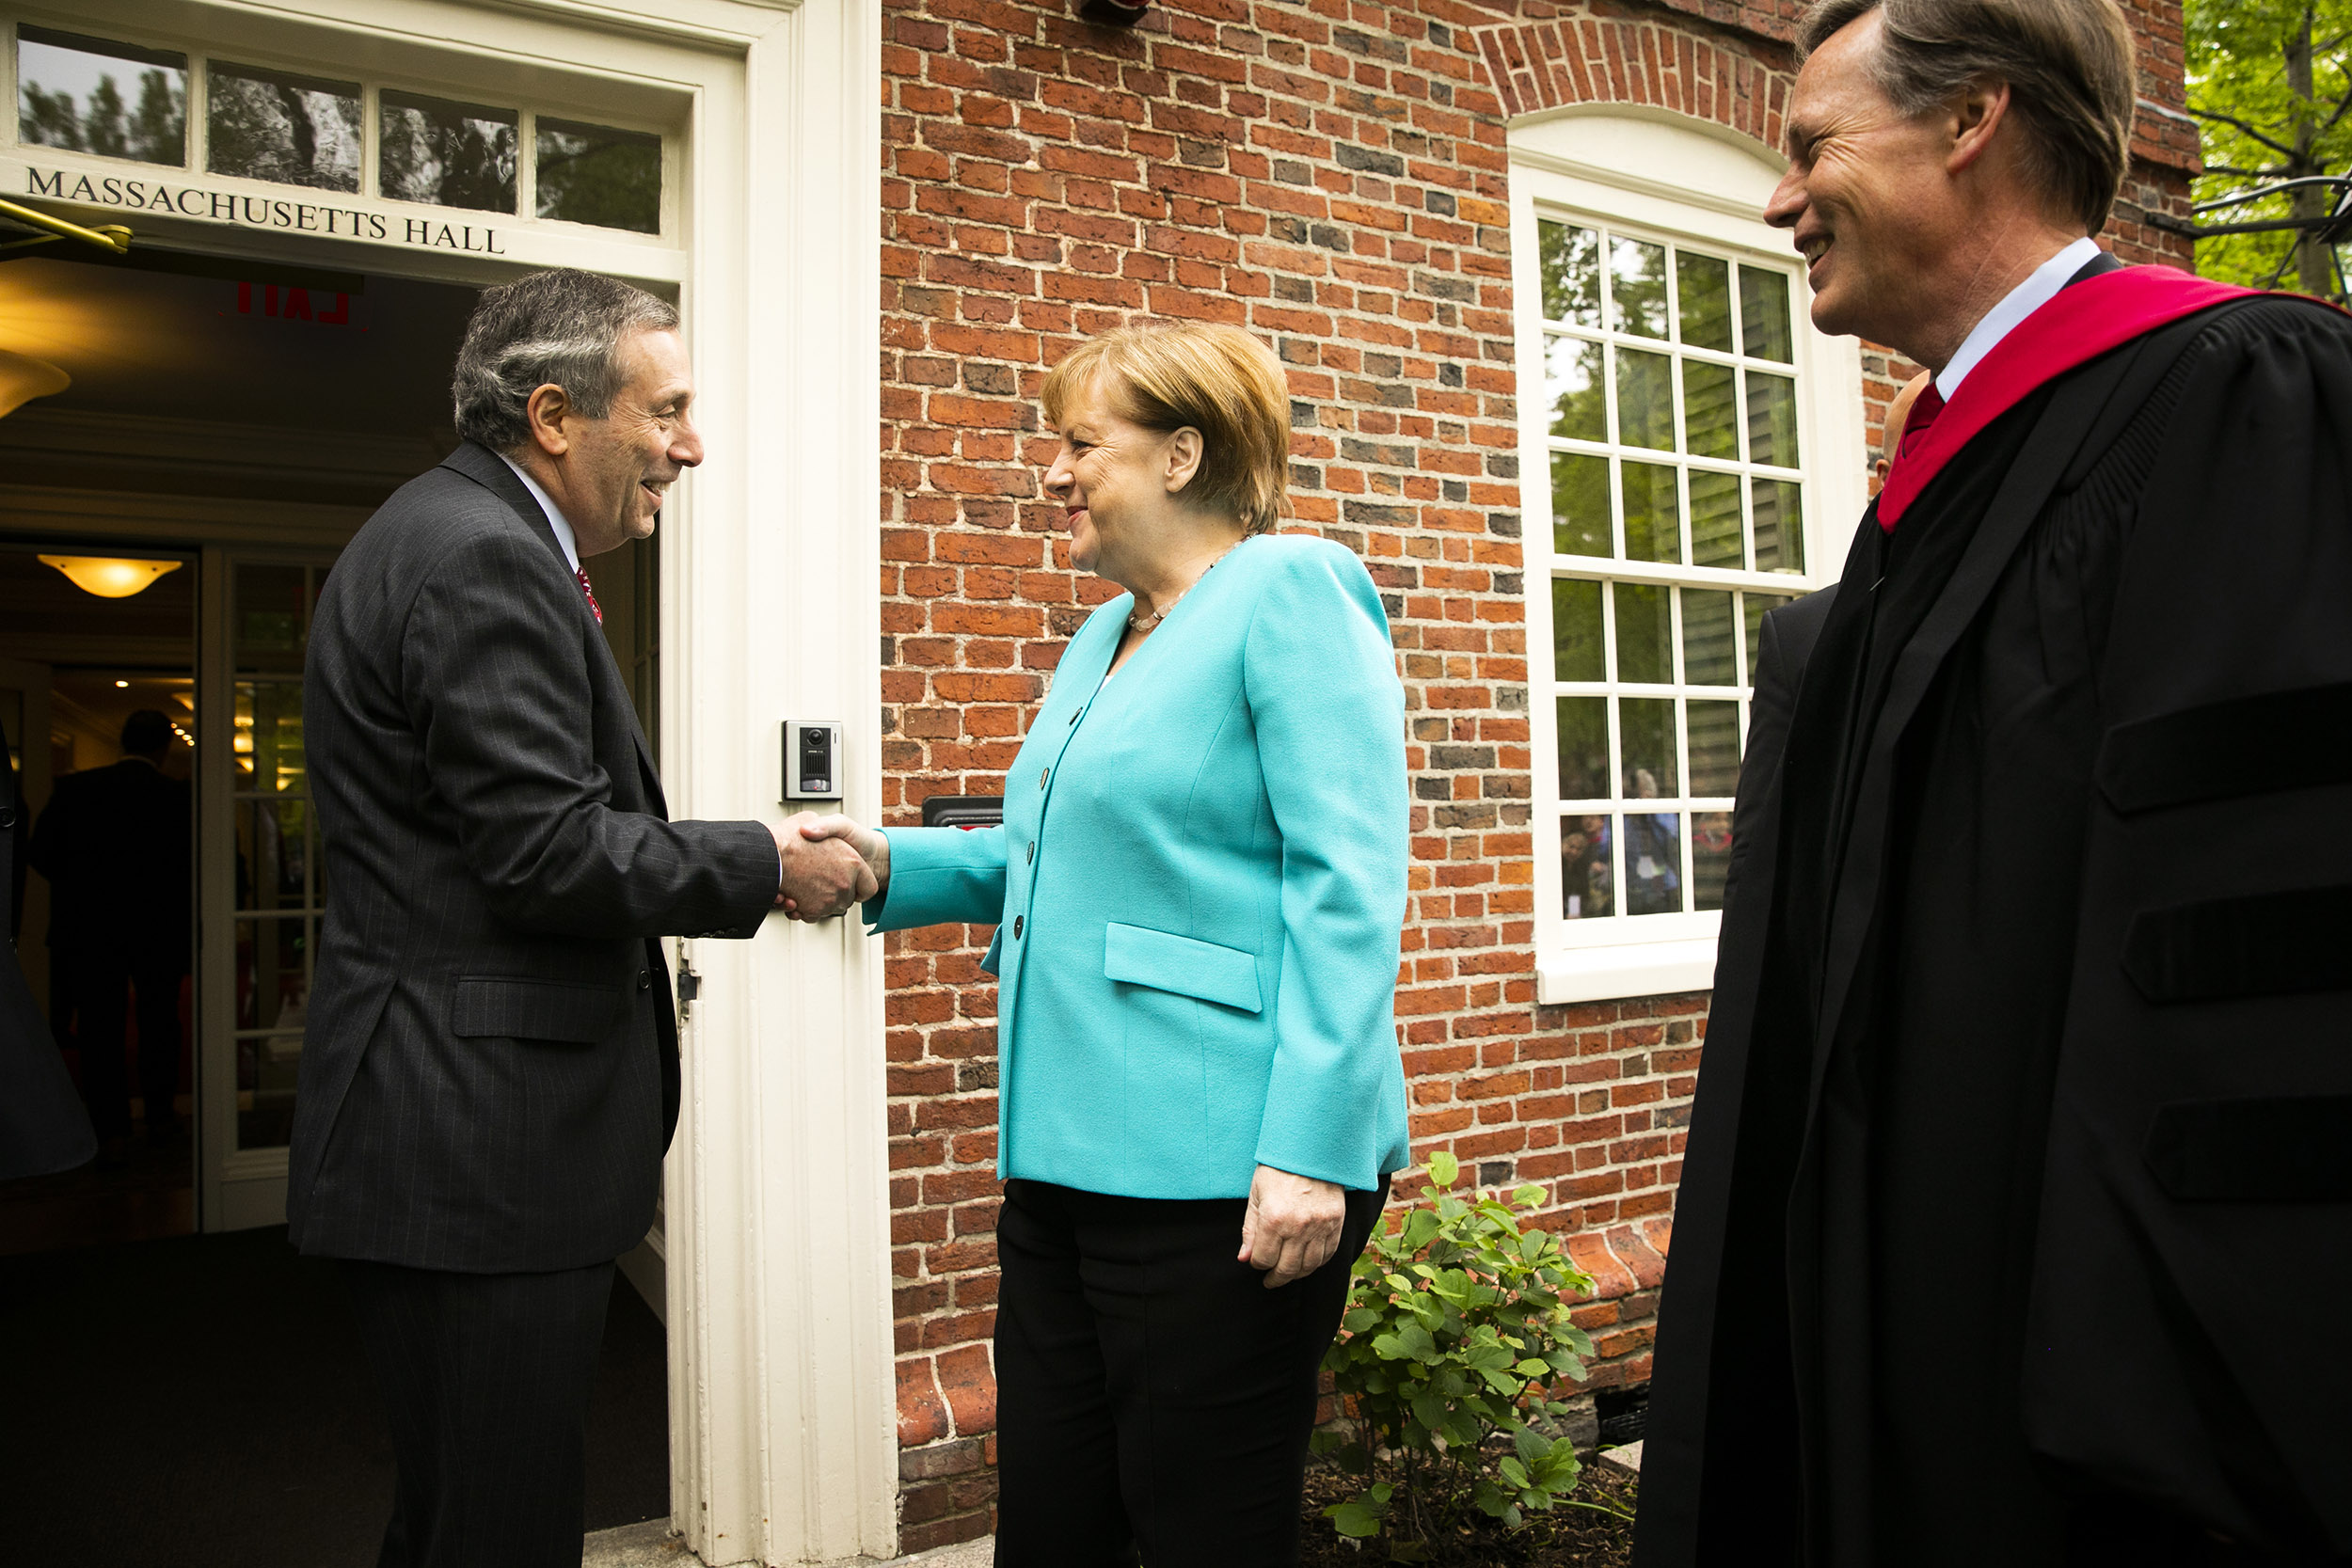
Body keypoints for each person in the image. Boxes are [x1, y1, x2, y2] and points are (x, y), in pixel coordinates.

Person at [1636, 2, 2352, 1564]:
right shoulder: (1935, 486)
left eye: (1814, 143)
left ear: (1974, 120)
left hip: (2087, 1387)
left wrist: (2134, 1405)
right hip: (1874, 1301)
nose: (1778, 196)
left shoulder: (2246, 395)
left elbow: (2275, 959)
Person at [287, 268, 875, 1568]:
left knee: (456, 1516)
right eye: (666, 409)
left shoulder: (443, 533)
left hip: (448, 1137)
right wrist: (764, 859)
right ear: (556, 413)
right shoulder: (485, 555)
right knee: (495, 1527)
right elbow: (546, 852)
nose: (692, 442)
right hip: (473, 1144)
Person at [808, 322, 1409, 1566]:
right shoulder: (1105, 634)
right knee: (1049, 1526)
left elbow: (1347, 881)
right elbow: (1054, 854)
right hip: (1062, 1164)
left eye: (1083, 442)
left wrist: (1311, 1146)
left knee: (1203, 1532)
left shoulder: (1289, 589)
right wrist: (881, 862)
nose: (1054, 470)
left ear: (1183, 452)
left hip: (1222, 1175)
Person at [26, 709, 191, 1161]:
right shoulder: (176, 799)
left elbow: (40, 854)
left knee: (101, 1028)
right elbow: (192, 870)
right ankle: (159, 1116)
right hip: (157, 931)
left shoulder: (77, 790)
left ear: (122, 742)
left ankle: (111, 1128)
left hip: (91, 930)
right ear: (163, 748)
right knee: (160, 1025)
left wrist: (81, 888)